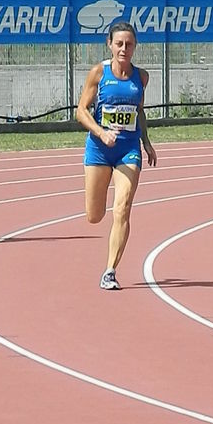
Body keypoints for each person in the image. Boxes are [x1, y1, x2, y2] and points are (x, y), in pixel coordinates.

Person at [76, 21, 157, 290]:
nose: (124, 49)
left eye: (129, 44)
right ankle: (108, 263)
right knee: (94, 215)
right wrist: (101, 132)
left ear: (135, 47)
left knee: (121, 208)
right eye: (119, 43)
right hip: (99, 149)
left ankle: (110, 270)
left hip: (128, 150)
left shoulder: (141, 77)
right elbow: (81, 111)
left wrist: (146, 142)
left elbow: (140, 111)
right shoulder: (99, 73)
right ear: (109, 44)